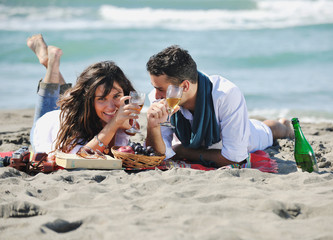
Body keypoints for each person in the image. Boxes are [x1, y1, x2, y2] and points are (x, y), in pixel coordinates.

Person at [146, 45, 294, 167]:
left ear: (184, 86)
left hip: (242, 137)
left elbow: (234, 157)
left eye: (160, 89)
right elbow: (158, 153)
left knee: (269, 129)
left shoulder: (226, 94)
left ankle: (285, 126)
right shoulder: (159, 98)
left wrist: (183, 151)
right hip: (194, 141)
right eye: (155, 87)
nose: (156, 96)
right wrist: (152, 126)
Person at [27, 34, 139, 155]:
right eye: (102, 99)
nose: (111, 107)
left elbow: (133, 129)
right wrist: (114, 124)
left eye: (116, 96)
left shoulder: (120, 111)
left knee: (70, 98)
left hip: (77, 108)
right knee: (53, 103)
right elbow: (83, 155)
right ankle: (50, 63)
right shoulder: (73, 126)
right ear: (90, 100)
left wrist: (129, 124)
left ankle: (50, 62)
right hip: (46, 127)